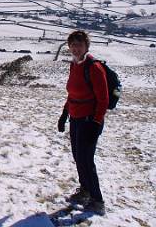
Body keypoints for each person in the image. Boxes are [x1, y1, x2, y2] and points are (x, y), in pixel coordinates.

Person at [57, 30, 108, 216]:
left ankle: (98, 200)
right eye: (72, 45)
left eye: (79, 44)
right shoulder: (74, 65)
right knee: (78, 157)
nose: (76, 48)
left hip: (89, 121)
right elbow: (72, 94)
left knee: (87, 160)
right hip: (76, 119)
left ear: (86, 46)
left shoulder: (93, 67)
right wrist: (64, 115)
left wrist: (96, 123)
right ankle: (85, 191)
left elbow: (103, 99)